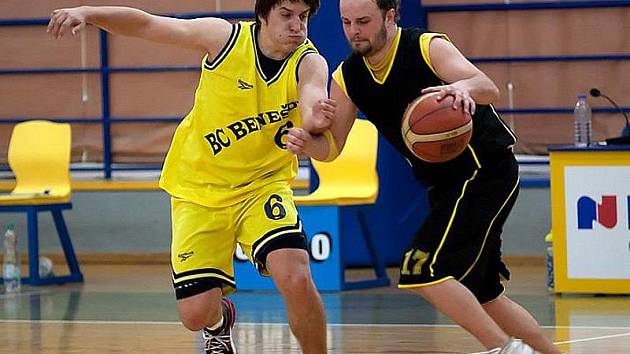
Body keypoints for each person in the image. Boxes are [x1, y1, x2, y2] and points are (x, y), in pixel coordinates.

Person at [47, 1, 336, 353]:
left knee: (295, 276)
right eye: (286, 15)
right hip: (199, 189)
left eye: (303, 17)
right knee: (194, 315)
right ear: (263, 15)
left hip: (262, 186)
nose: (297, 26)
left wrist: (314, 119)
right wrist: (88, 13)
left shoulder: (309, 61)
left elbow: (312, 96)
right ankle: (218, 322)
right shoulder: (224, 38)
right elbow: (148, 25)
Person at [287, 1, 562, 353]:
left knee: (421, 268)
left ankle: (504, 349)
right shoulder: (348, 76)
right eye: (346, 22)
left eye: (364, 21)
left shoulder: (425, 46)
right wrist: (306, 143)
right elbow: (333, 148)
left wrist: (463, 89)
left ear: (390, 16)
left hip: (484, 168)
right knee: (484, 291)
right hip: (445, 184)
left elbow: (487, 86)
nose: (354, 30)